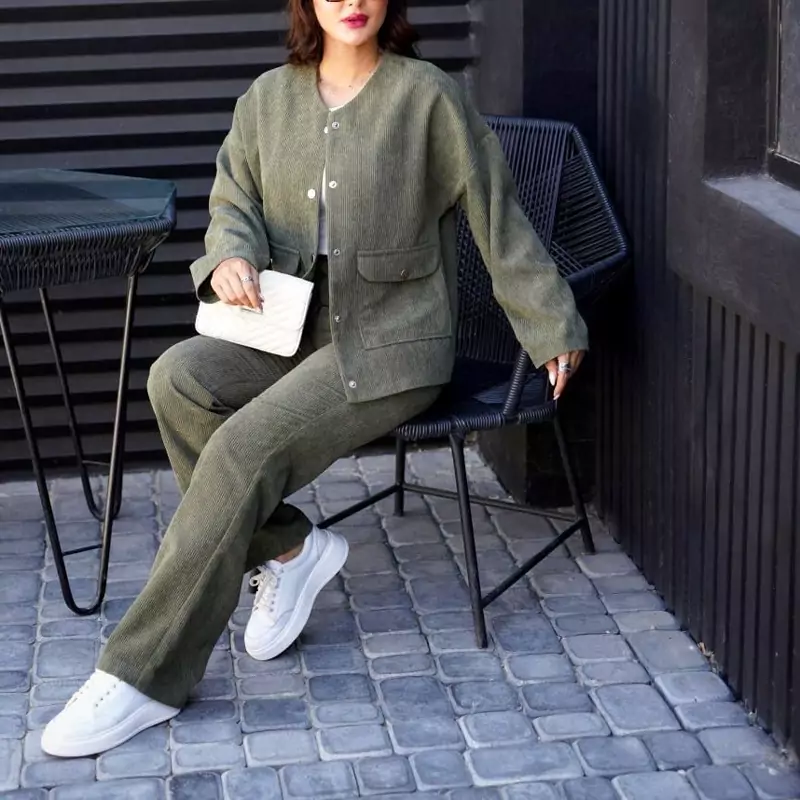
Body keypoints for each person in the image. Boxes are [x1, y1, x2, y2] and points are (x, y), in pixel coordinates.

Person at [41, 0, 587, 758]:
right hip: (291, 326)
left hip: (392, 343)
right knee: (177, 380)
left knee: (242, 450)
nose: (352, 1)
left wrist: (551, 321)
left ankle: (141, 673)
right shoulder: (268, 98)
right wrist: (230, 255)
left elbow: (498, 214)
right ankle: (292, 550)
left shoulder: (427, 95)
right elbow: (233, 199)